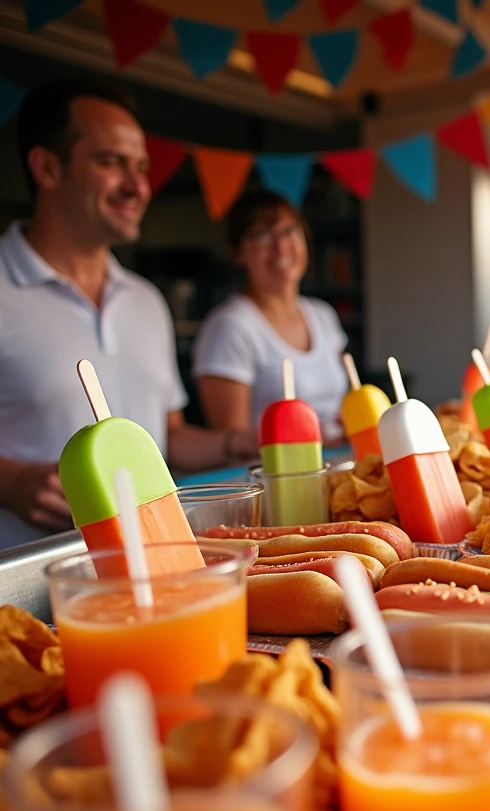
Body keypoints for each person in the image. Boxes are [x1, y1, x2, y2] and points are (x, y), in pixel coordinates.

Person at [0, 77, 258, 550]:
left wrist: (236, 442)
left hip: (155, 562)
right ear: (48, 168)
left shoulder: (145, 300)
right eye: (111, 163)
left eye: (141, 167)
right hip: (26, 586)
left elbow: (169, 436)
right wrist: (10, 481)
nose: (139, 186)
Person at [193, 190, 348, 431]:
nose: (281, 247)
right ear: (238, 253)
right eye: (262, 236)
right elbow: (233, 440)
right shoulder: (230, 326)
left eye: (290, 231)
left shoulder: (322, 315)